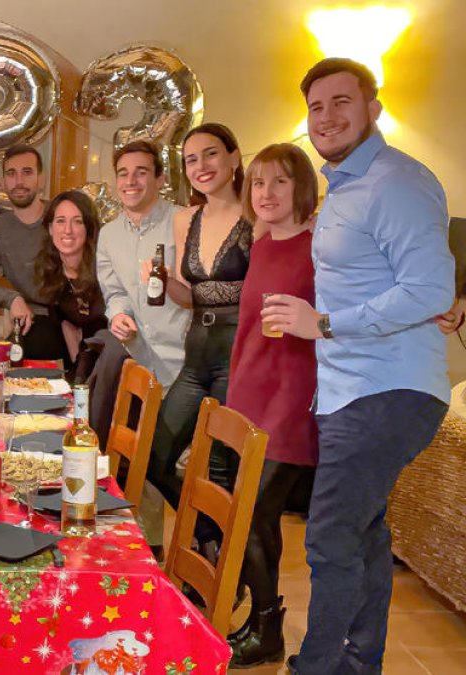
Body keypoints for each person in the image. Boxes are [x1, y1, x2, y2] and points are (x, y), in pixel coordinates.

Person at [263, 58, 455, 675]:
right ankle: (357, 662)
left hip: (386, 389)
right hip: (353, 388)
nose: (327, 117)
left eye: (342, 102)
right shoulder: (345, 187)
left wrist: (321, 323)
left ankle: (317, 667)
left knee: (330, 539)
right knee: (364, 534)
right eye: (316, 107)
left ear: (372, 108)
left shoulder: (397, 180)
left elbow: (429, 290)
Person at [223, 143, 320, 668]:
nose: (266, 193)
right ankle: (262, 620)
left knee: (257, 512)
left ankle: (267, 631)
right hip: (250, 393)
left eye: (279, 182)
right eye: (258, 183)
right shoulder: (259, 245)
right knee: (255, 519)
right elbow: (247, 333)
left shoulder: (319, 246)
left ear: (301, 187)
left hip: (291, 397)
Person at [145, 123, 252, 521]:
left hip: (238, 351)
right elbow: (190, 297)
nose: (201, 165)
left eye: (211, 154)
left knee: (222, 472)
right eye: (191, 159)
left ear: (234, 157)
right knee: (155, 457)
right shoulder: (185, 219)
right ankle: (205, 537)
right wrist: (161, 280)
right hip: (197, 354)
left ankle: (219, 575)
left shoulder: (256, 211)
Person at [95, 140, 188, 389]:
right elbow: (115, 293)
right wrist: (118, 315)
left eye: (141, 172)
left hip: (185, 364)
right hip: (137, 363)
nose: (130, 181)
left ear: (161, 179)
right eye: (123, 174)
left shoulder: (185, 222)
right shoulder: (108, 235)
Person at [0, 144, 66, 359]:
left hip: (77, 317)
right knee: (4, 360)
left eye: (27, 172)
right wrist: (12, 299)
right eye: (11, 174)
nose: (19, 181)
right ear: (3, 183)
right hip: (36, 322)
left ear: (41, 179)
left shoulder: (62, 216)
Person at [33, 190, 107, 374]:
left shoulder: (105, 267)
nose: (68, 230)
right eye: (60, 221)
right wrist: (77, 374)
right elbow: (68, 324)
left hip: (111, 358)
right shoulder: (51, 270)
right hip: (84, 360)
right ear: (50, 229)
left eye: (77, 221)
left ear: (89, 228)